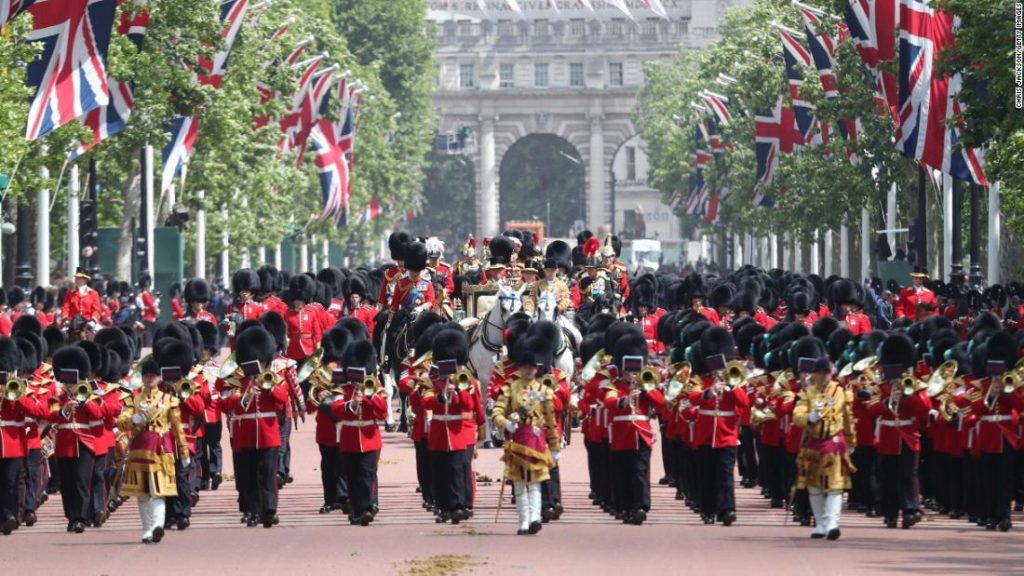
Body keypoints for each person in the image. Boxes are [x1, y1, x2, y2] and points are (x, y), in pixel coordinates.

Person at [219, 327, 288, 528]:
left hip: (268, 433)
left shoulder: (272, 378)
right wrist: (244, 396)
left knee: (267, 473)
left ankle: (269, 510)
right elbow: (223, 403)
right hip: (246, 433)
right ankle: (252, 511)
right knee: (248, 474)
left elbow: (282, 400)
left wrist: (269, 388)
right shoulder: (236, 380)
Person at [116, 357, 189, 543]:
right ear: (142, 378)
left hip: (160, 449)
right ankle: (147, 529)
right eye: (147, 376)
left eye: (153, 376)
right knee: (142, 493)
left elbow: (178, 427)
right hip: (140, 448)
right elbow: (121, 423)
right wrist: (134, 420)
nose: (150, 379)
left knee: (159, 491)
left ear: (159, 378)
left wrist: (184, 451)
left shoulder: (169, 400)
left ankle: (157, 525)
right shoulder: (133, 399)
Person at [492, 336, 560, 535]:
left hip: (537, 439)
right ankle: (523, 520)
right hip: (518, 439)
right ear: (520, 368)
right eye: (525, 367)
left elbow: (551, 420)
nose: (528, 370)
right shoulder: (509, 389)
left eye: (531, 367)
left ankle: (535, 517)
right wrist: (506, 424)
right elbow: (496, 412)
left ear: (536, 369)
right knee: (520, 484)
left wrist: (555, 447)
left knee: (536, 483)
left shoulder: (544, 391)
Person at [790, 336, 855, 540]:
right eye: (819, 373)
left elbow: (847, 417)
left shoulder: (840, 392)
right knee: (814, 486)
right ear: (815, 375)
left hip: (834, 443)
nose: (823, 377)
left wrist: (852, 441)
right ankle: (820, 523)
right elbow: (797, 415)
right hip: (813, 443)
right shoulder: (807, 393)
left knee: (835, 486)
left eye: (826, 373)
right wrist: (808, 417)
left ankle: (832, 522)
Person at [864, 333, 931, 529]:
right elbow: (871, 408)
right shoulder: (881, 387)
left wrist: (908, 396)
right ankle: (890, 512)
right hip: (887, 436)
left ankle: (911, 510)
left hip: (908, 436)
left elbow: (924, 408)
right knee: (888, 476)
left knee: (907, 475)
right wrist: (888, 401)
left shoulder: (913, 385)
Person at [603, 331, 666, 525]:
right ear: (622, 369)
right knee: (622, 474)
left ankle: (640, 507)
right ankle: (625, 507)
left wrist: (648, 389)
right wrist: (625, 400)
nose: (631, 374)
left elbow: (662, 403)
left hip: (641, 435)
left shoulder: (646, 385)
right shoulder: (614, 386)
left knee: (639, 472)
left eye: (634, 370)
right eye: (628, 371)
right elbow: (609, 403)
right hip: (621, 436)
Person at [324, 341, 387, 526]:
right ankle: (357, 510)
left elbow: (382, 411)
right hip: (349, 437)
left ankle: (367, 508)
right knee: (352, 476)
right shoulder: (343, 384)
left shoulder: (373, 384)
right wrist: (350, 404)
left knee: (367, 475)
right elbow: (334, 407)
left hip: (369, 437)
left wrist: (369, 397)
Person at [0, 339, 47, 535]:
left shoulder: (19, 387)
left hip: (13, 442)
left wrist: (17, 396)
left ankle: (11, 515)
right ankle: (5, 515)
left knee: (11, 481)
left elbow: (39, 410)